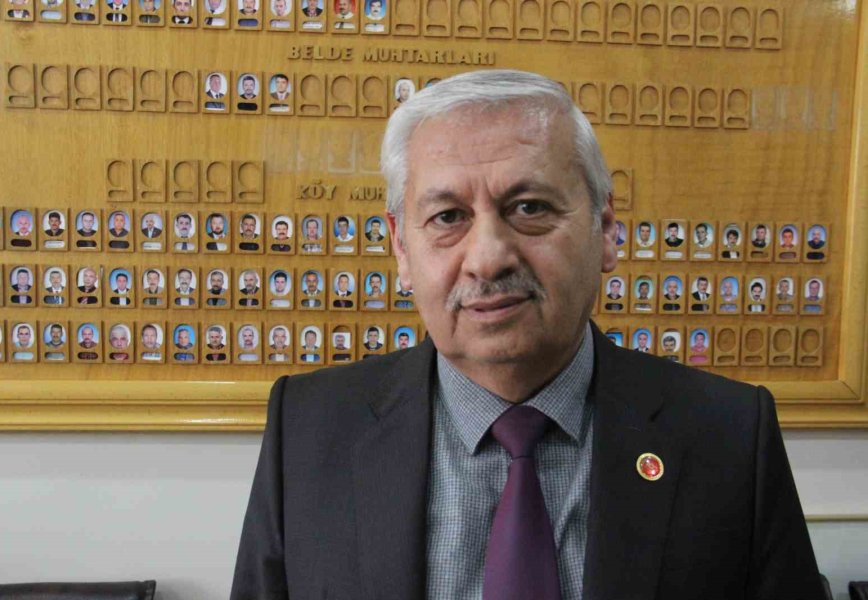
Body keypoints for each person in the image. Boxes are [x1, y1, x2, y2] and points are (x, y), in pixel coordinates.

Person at [231, 70, 823, 600]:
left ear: (606, 230)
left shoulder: (730, 436)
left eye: (530, 207)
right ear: (402, 249)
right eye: (448, 217)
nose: (488, 258)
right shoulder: (308, 429)